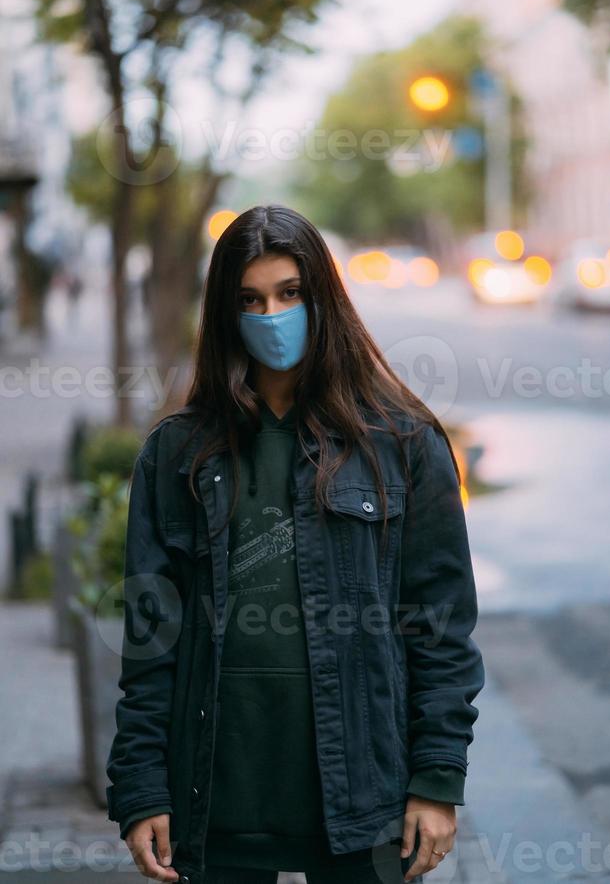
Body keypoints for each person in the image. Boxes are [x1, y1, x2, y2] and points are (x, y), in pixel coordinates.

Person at [107, 204, 485, 884]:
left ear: (323, 299)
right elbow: (149, 637)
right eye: (250, 300)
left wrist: (437, 777)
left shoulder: (401, 446)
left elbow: (440, 627)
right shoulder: (176, 454)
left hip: (364, 800)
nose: (271, 316)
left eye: (289, 294)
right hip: (216, 798)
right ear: (225, 312)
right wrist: (140, 788)